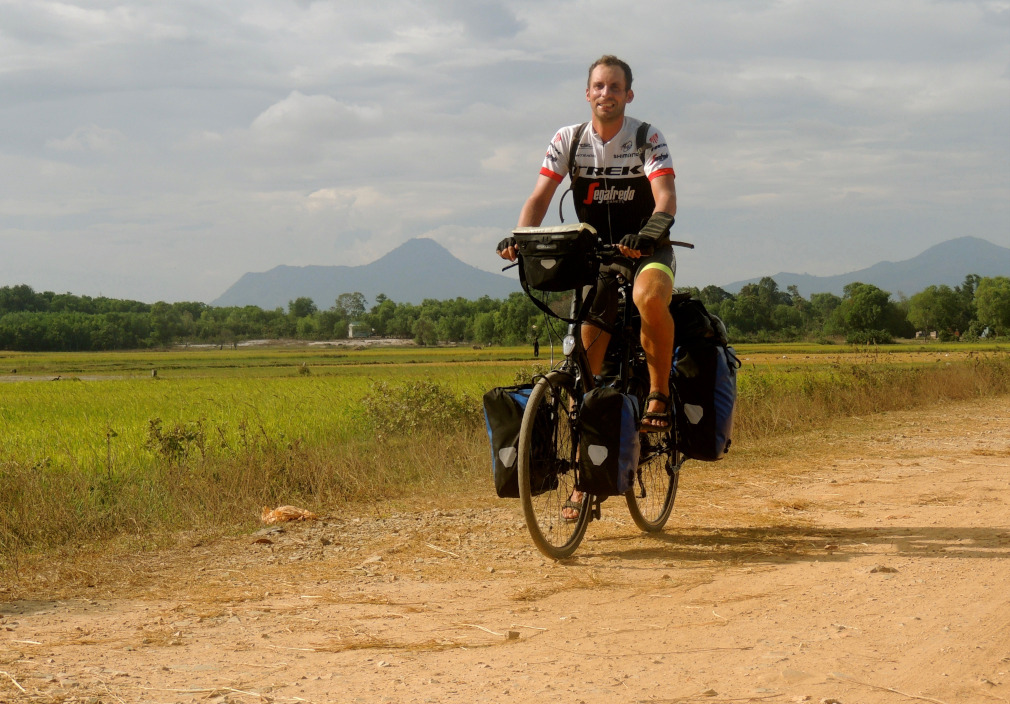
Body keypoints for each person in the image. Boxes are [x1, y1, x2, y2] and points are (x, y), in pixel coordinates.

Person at [497, 54, 678, 433]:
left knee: (648, 298)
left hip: (648, 248)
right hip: (595, 254)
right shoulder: (569, 139)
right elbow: (540, 197)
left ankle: (658, 394)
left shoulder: (647, 137)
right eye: (599, 86)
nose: (606, 93)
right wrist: (521, 238)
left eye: (615, 87)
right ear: (587, 93)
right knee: (592, 320)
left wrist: (647, 235)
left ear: (629, 95)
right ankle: (587, 415)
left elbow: (665, 196)